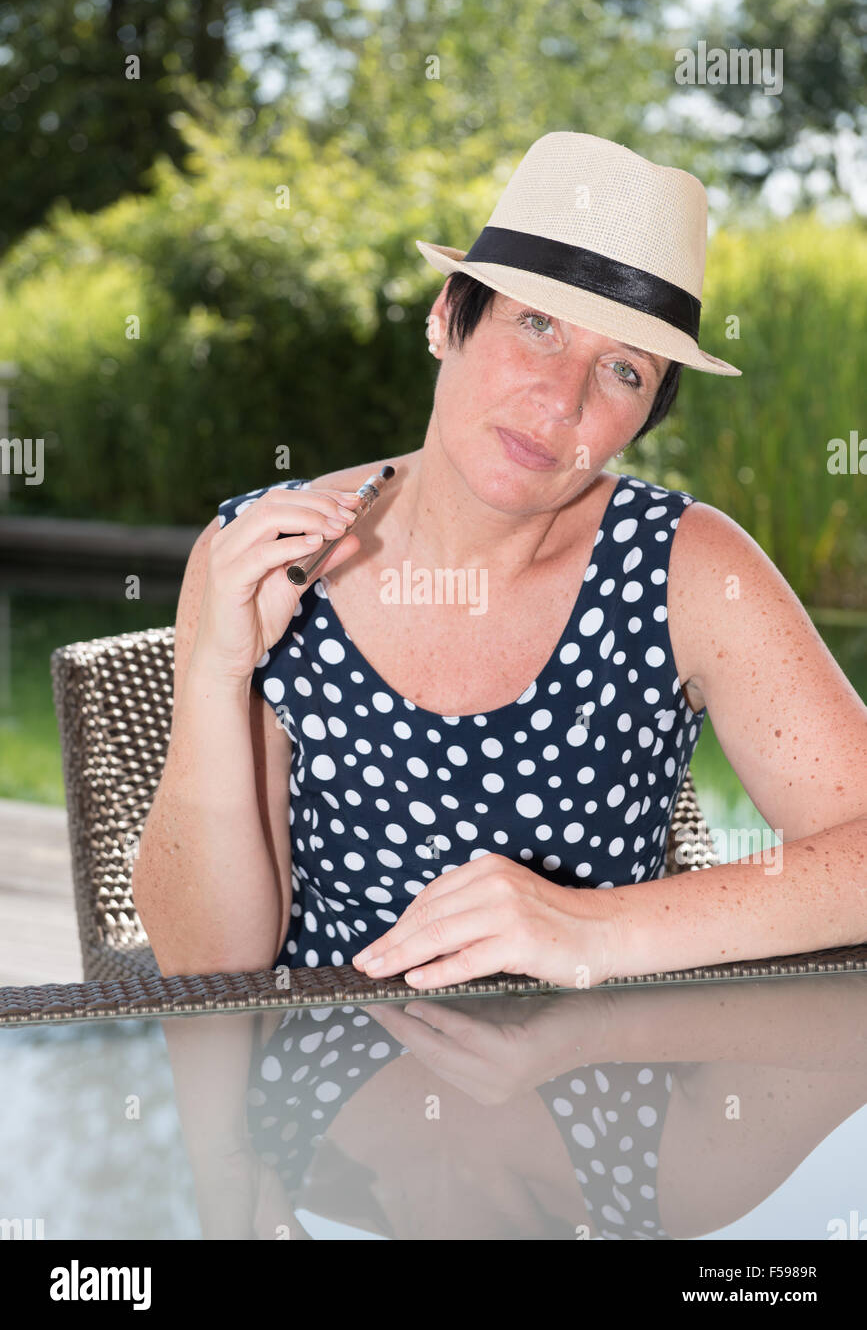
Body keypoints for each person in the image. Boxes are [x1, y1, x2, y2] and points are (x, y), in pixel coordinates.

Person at [132, 131, 867, 989]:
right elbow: (209, 968)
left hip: (600, 1084)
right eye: (537, 323)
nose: (560, 401)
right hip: (325, 1078)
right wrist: (219, 672)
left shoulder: (685, 568)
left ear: (644, 418)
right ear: (448, 317)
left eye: (622, 371)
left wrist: (594, 930)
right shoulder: (265, 553)